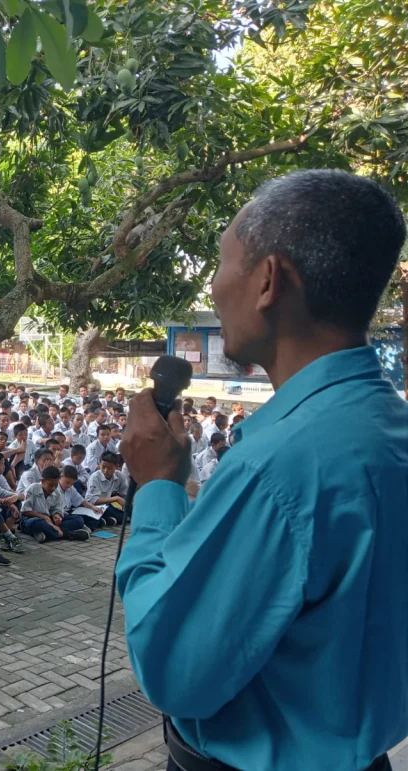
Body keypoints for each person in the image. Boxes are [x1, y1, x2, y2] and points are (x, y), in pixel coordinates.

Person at [117, 170, 408, 771]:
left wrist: (158, 490)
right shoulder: (386, 429)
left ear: (269, 280)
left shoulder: (279, 468)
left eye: (223, 265)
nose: (216, 288)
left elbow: (175, 672)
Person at [19, 466, 89, 542]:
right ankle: (67, 534)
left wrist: (56, 516)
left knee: (79, 520)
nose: (53, 488)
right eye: (50, 485)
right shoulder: (33, 488)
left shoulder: (57, 492)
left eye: (55, 485)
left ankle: (46, 532)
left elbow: (57, 509)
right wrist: (44, 517)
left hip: (49, 518)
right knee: (36, 523)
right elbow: (24, 511)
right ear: (42, 481)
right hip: (32, 518)